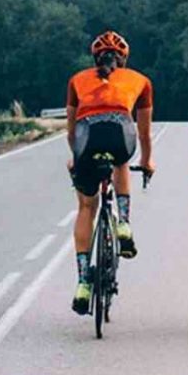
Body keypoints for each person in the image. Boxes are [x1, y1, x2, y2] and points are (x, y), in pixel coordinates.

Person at [66, 30, 155, 315]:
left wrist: (75, 158)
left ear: (95, 58)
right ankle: (124, 222)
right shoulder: (140, 81)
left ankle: (82, 282)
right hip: (120, 132)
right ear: (124, 58)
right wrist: (148, 161)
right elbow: (144, 134)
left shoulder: (76, 80)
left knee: (85, 207)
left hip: (86, 137)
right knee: (121, 161)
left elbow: (71, 131)